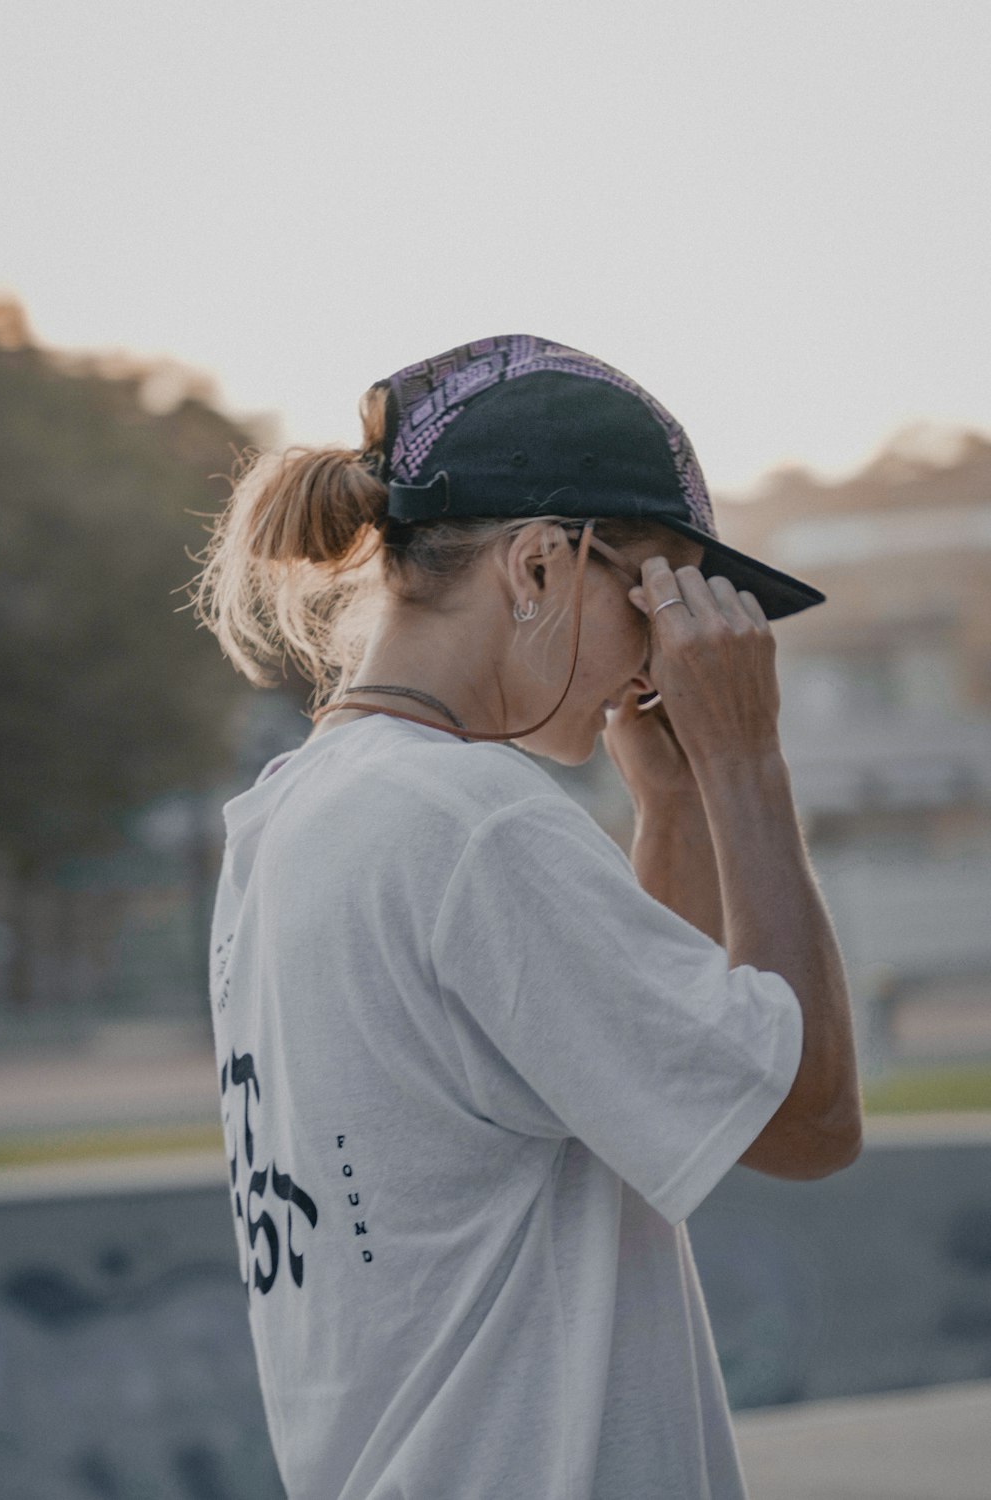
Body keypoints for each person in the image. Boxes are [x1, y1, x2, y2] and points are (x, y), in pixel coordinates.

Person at [191, 334, 863, 1500]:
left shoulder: (288, 822)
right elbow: (807, 1124)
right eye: (652, 597)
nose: (659, 665)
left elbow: (647, 1094)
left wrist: (674, 807)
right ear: (541, 566)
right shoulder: (471, 823)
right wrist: (744, 762)